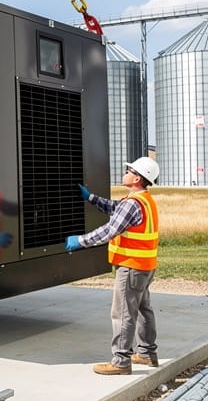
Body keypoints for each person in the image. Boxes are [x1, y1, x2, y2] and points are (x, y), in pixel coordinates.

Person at [64, 156, 161, 375]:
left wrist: (80, 241)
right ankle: (146, 354)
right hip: (145, 266)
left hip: (131, 268)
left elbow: (109, 231)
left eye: (129, 170)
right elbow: (115, 208)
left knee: (124, 312)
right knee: (143, 309)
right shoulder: (143, 200)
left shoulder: (133, 203)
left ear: (137, 178)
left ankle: (120, 361)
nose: (124, 172)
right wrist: (91, 198)